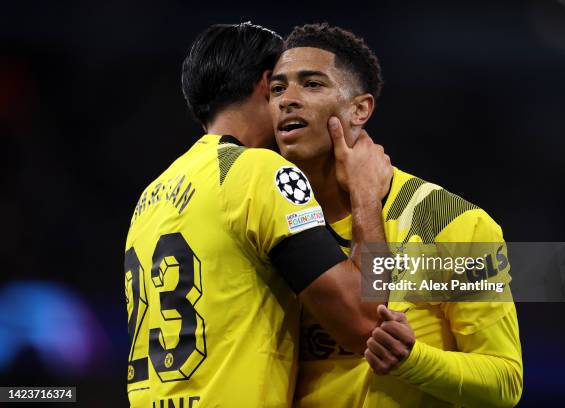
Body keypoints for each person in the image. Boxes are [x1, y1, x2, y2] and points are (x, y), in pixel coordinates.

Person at [123, 22, 392, 408]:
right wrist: (366, 193)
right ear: (266, 84)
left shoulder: (150, 197)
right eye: (282, 86)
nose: (289, 99)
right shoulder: (256, 172)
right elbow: (366, 320)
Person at [268, 23, 523, 407]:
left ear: (360, 109)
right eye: (277, 88)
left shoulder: (450, 222)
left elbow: (505, 382)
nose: (288, 98)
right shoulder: (265, 221)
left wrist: (412, 360)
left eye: (312, 84)